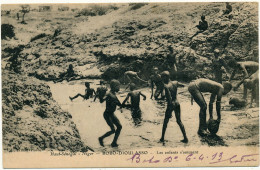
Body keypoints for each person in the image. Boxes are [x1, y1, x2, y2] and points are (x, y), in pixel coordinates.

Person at [159, 71, 188, 143]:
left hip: (171, 104)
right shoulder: (175, 82)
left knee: (165, 121)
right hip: (177, 103)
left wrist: (169, 110)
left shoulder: (166, 86)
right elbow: (184, 86)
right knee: (179, 121)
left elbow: (169, 98)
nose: (162, 79)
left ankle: (162, 138)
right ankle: (185, 138)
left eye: (162, 77)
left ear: (166, 77)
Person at [98, 80, 122, 147]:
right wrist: (100, 94)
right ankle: (101, 138)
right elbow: (101, 100)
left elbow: (119, 104)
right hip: (107, 114)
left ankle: (114, 143)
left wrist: (128, 105)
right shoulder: (108, 94)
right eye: (118, 86)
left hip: (111, 114)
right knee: (113, 130)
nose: (119, 88)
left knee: (119, 127)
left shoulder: (114, 94)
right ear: (114, 86)